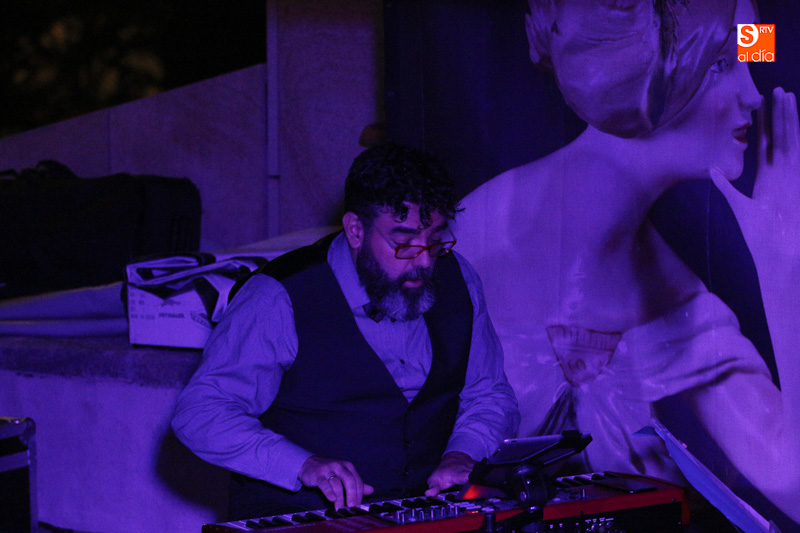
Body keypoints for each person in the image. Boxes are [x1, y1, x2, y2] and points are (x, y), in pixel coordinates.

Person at [454, 0, 800, 525]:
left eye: (752, 60)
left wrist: (784, 271)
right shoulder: (470, 239)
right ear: (638, 69)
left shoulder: (683, 307)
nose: (753, 95)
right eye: (723, 62)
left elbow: (794, 486)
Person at [172, 142, 519, 520]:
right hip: (297, 518)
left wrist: (462, 453)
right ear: (355, 229)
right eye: (403, 242)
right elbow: (201, 412)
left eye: (434, 240)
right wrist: (302, 464)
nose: (423, 261)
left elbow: (488, 394)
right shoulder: (277, 297)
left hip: (421, 516)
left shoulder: (459, 278)